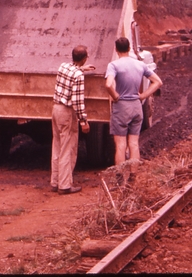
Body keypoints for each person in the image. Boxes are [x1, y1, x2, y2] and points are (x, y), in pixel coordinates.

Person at [105, 37, 163, 170]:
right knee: (134, 143)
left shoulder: (113, 65)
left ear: (116, 49)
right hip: (137, 107)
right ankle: (133, 176)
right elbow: (158, 82)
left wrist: (115, 96)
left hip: (121, 107)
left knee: (120, 144)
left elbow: (108, 84)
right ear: (129, 48)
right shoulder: (140, 64)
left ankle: (120, 177)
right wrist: (143, 95)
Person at [51, 45, 94, 195]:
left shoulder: (63, 66)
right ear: (84, 58)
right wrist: (83, 121)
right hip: (67, 113)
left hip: (56, 109)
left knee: (57, 145)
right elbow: (77, 101)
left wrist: (83, 68)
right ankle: (65, 185)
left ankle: (55, 180)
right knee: (67, 149)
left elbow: (71, 72)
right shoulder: (78, 76)